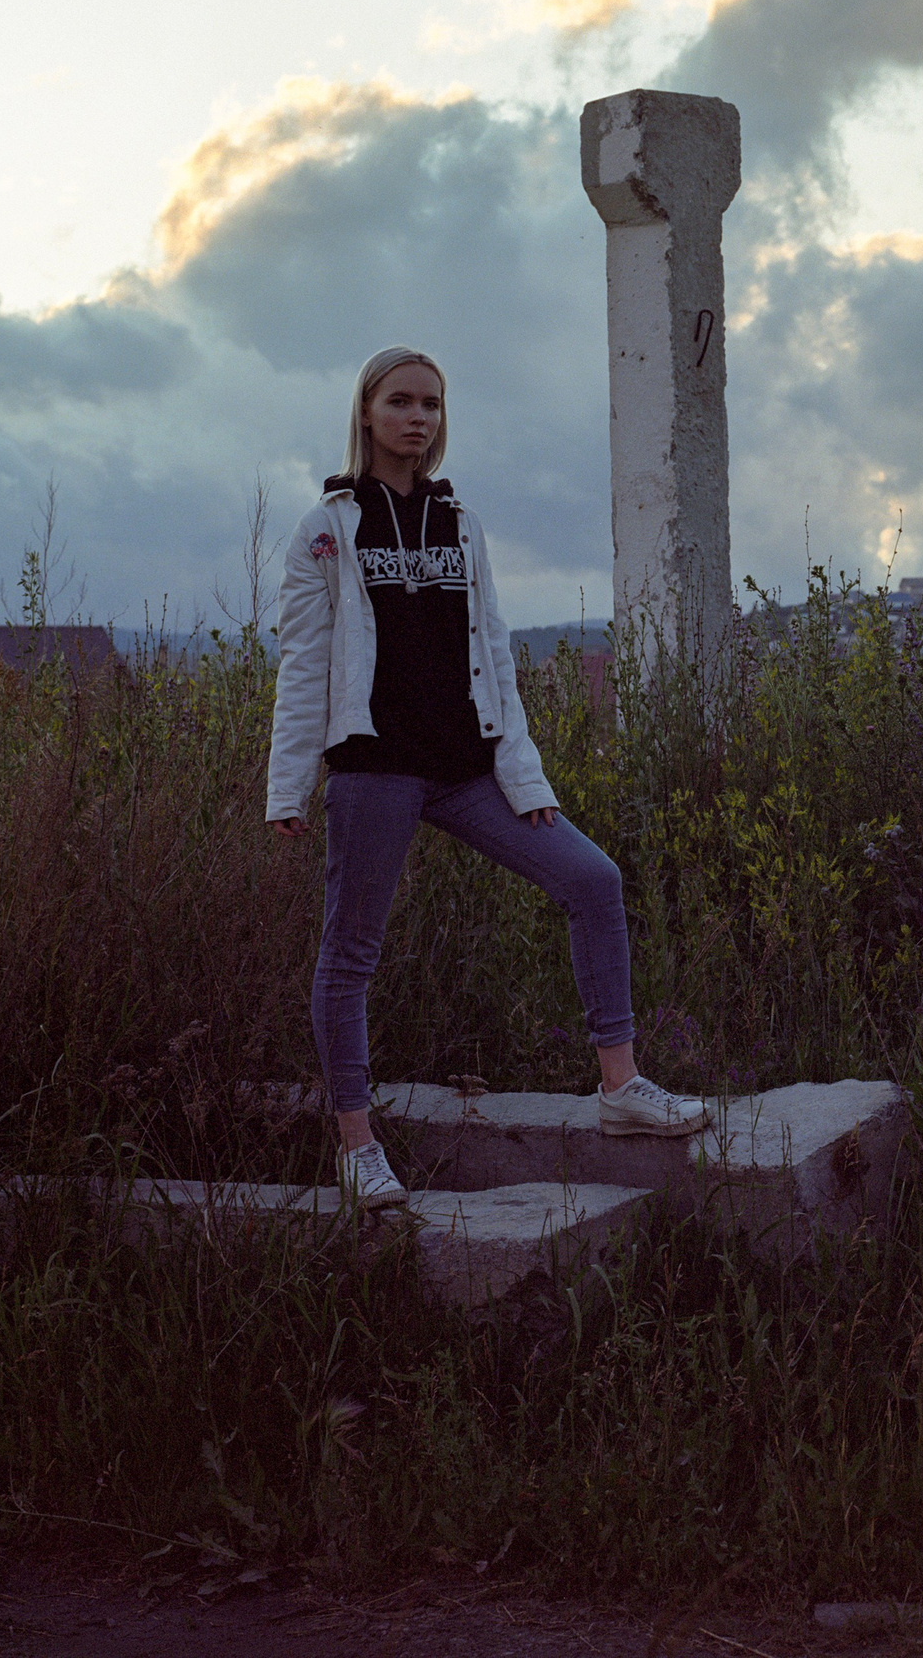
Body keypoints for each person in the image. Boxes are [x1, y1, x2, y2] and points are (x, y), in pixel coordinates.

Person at [265, 345, 708, 1211]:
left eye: (431, 403)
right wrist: (289, 788)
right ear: (366, 412)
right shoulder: (328, 525)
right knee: (351, 955)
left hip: (469, 769)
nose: (418, 417)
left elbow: (495, 653)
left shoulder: (458, 521)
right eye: (400, 401)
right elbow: (304, 663)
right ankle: (357, 1145)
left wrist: (527, 778)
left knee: (594, 879)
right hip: (377, 768)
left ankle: (619, 1088)